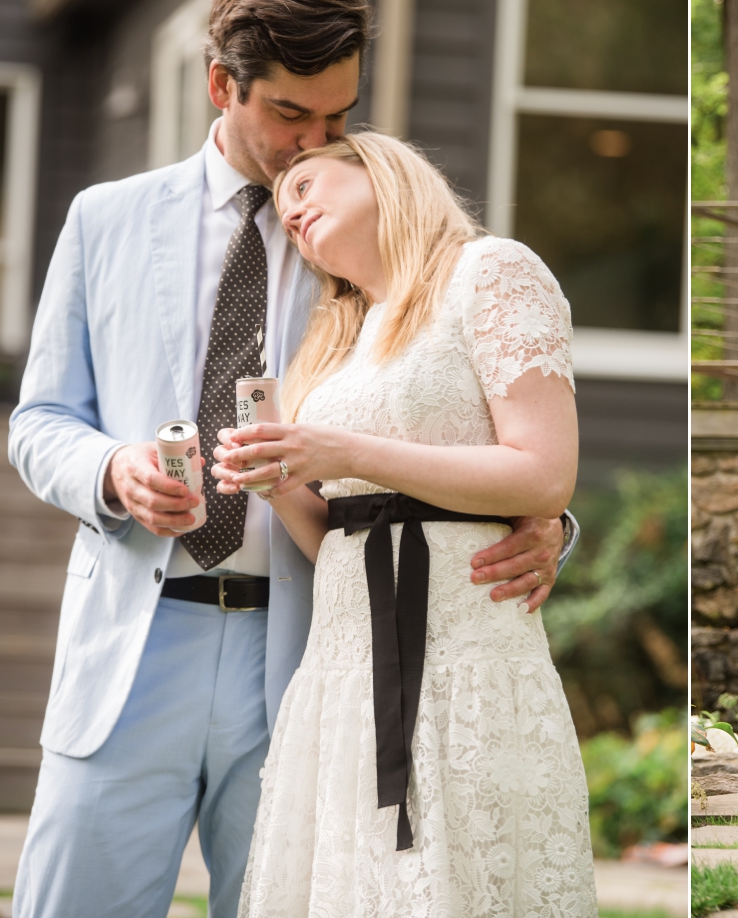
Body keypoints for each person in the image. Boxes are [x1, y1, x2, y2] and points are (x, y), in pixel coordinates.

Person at [8, 0, 572, 918]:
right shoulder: (103, 221)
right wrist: (112, 469)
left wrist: (542, 528)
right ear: (222, 86)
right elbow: (39, 421)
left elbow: (458, 396)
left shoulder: (365, 236)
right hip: (137, 640)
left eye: (338, 119)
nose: (312, 143)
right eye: (289, 117)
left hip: (312, 648)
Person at [222, 131, 595, 914]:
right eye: (283, 204)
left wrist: (339, 445)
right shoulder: (341, 329)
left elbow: (546, 472)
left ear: (381, 172)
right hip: (345, 663)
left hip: (464, 651)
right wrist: (280, 481)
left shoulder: (490, 271)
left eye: (307, 185)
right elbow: (341, 534)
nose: (292, 210)